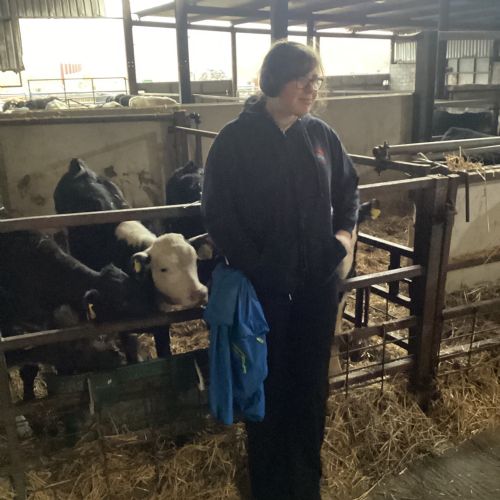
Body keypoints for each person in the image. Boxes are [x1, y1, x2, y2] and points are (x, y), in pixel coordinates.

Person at [201, 41, 359, 500]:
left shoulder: (321, 136)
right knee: (266, 384)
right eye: (302, 80)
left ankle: (306, 483)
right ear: (274, 80)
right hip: (262, 291)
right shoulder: (234, 140)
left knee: (311, 386)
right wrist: (258, 268)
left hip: (316, 286)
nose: (312, 89)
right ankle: (269, 486)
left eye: (316, 81)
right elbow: (219, 215)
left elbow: (349, 190)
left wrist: (342, 238)